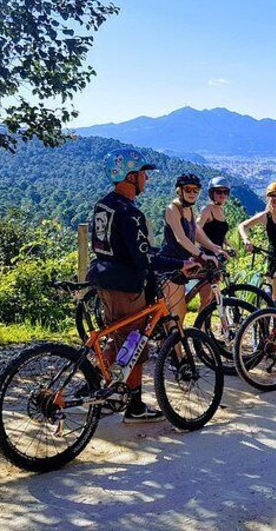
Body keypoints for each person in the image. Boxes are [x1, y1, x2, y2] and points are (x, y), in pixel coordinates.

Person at [87, 148, 201, 423]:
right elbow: (144, 257)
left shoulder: (104, 204)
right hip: (126, 286)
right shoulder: (131, 213)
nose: (146, 180)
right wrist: (178, 265)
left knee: (119, 337)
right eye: (142, 174)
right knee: (137, 345)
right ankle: (134, 406)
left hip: (103, 278)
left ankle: (103, 386)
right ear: (129, 176)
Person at [159, 174, 226, 328]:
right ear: (179, 190)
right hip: (172, 264)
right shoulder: (173, 209)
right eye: (188, 189)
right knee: (179, 312)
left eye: (196, 190)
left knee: (209, 279)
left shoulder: (190, 209)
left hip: (185, 262)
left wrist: (215, 249)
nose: (192, 193)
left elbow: (196, 233)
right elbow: (181, 238)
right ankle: (172, 350)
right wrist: (201, 255)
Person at [196, 176, 233, 313]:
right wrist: (210, 245)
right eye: (219, 192)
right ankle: (200, 330)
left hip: (218, 257)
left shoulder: (221, 210)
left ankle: (207, 328)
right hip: (206, 257)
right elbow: (196, 229)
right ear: (212, 193)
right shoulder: (207, 210)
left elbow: (220, 234)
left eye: (225, 192)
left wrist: (228, 245)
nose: (222, 195)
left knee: (213, 297)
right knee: (206, 298)